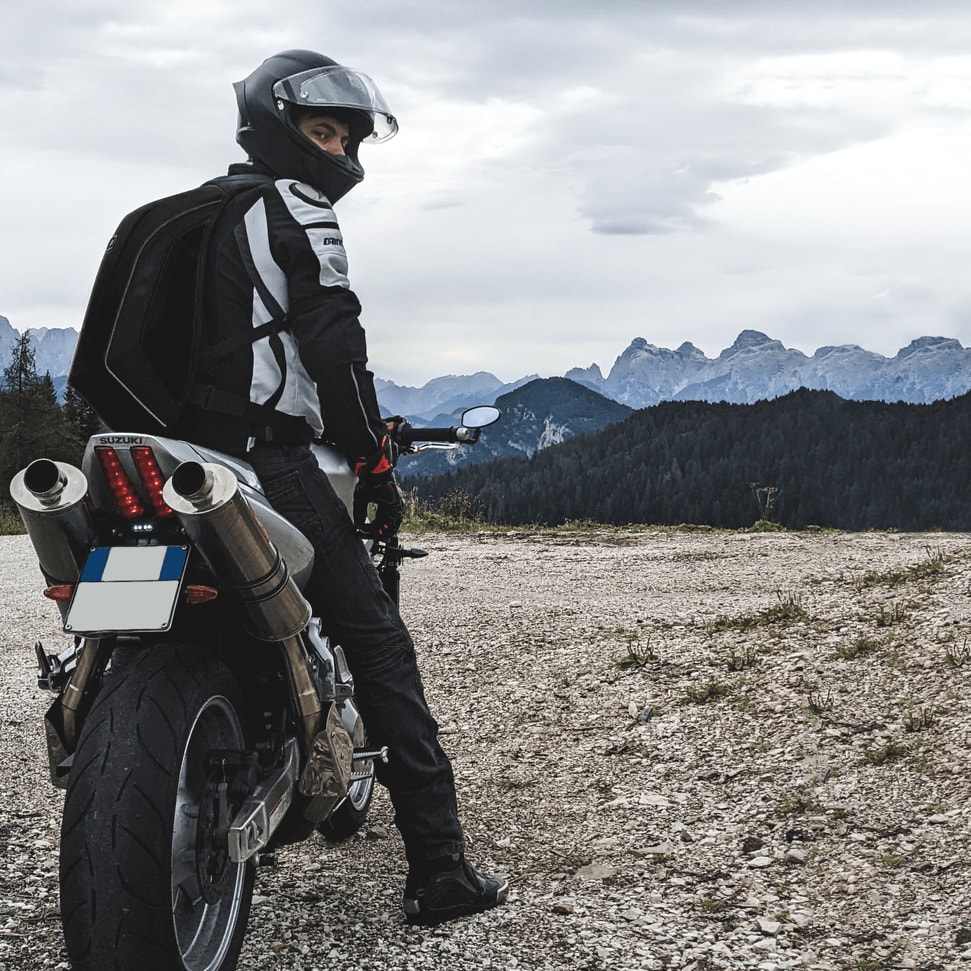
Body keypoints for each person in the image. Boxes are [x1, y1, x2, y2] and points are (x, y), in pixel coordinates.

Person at [173, 49, 507, 926]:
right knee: (381, 642)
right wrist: (371, 450)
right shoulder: (297, 204)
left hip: (180, 454)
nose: (340, 152)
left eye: (346, 136)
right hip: (270, 458)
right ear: (276, 126)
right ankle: (440, 870)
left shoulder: (199, 213)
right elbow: (331, 343)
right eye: (324, 130)